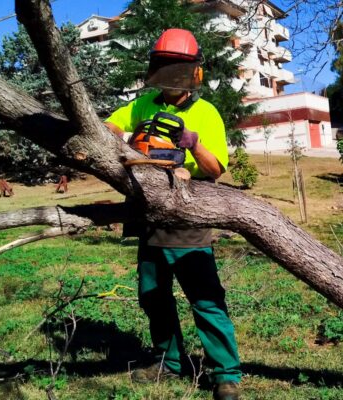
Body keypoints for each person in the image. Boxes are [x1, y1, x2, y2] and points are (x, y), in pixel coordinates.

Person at [103, 28, 241, 400]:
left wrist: (194, 144)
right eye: (164, 66)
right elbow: (109, 127)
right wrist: (120, 139)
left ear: (194, 72)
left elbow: (216, 171)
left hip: (187, 217)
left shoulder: (205, 112)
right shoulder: (143, 104)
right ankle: (171, 360)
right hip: (148, 216)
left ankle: (225, 374)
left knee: (205, 297)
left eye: (177, 67)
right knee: (152, 295)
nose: (170, 75)